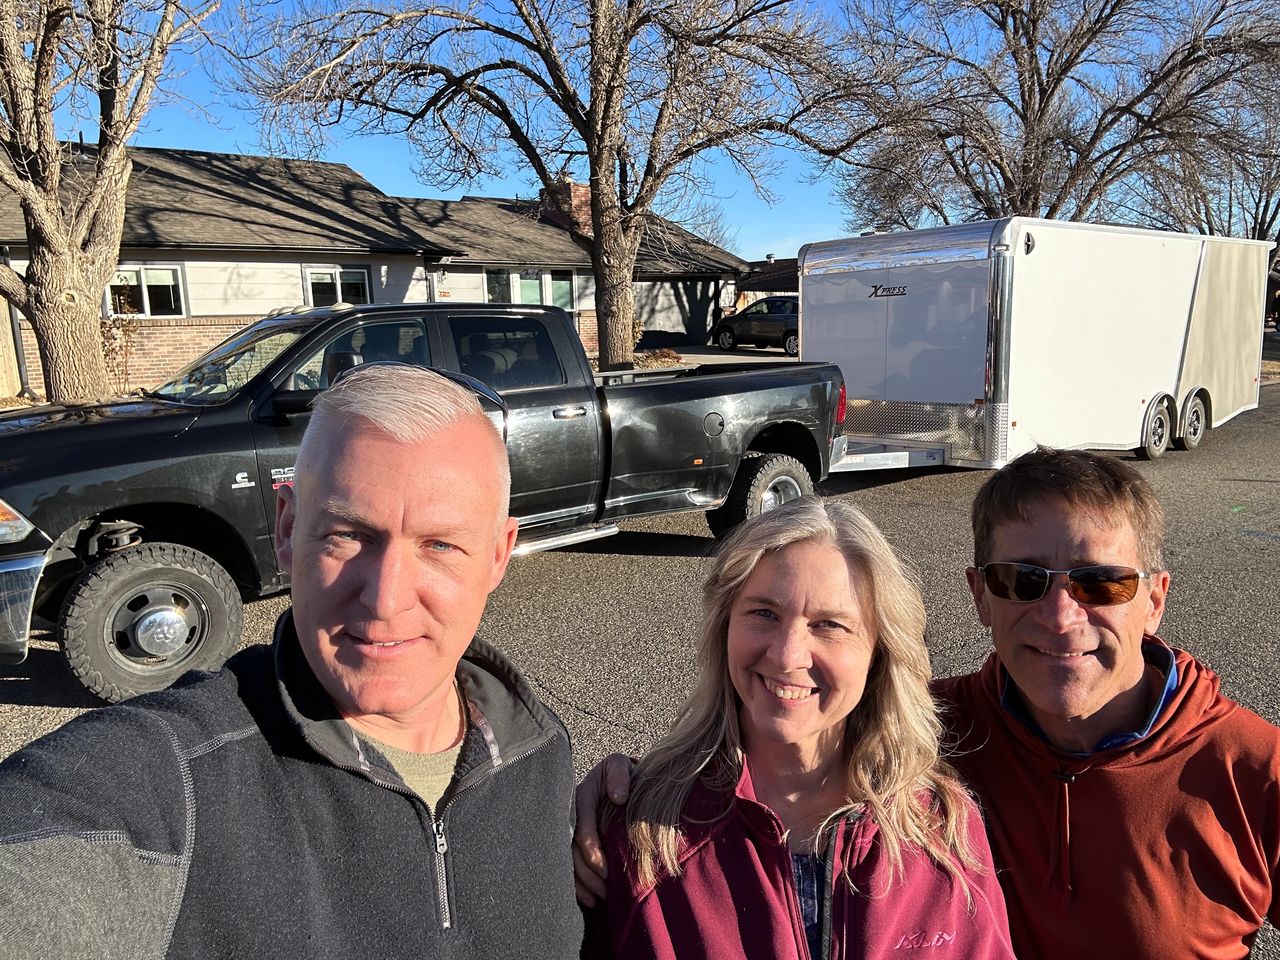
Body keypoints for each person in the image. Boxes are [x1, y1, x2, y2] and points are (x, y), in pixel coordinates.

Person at [576, 448, 1280, 960]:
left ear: (1155, 599)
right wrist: (611, 790)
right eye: (1022, 579)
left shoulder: (1254, 769)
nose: (1061, 616)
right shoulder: (934, 727)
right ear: (979, 595)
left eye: (1101, 583)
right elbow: (802, 713)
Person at [0, 364, 582, 958]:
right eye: (348, 535)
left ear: (498, 556)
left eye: (440, 545)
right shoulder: (171, 782)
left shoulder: (539, 752)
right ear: (287, 528)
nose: (385, 599)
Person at [584, 497, 1014, 959]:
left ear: (878, 653)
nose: (787, 655)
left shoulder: (943, 828)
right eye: (764, 613)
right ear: (724, 627)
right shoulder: (639, 834)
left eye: (829, 625)